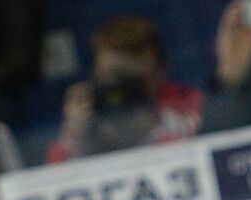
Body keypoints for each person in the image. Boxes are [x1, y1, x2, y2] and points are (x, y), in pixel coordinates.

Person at [47, 15, 204, 165]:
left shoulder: (191, 106)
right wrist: (78, 137)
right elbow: (54, 176)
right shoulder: (88, 114)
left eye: (136, 81)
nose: (126, 90)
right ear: (96, 75)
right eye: (116, 77)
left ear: (161, 71)